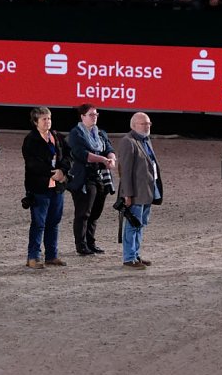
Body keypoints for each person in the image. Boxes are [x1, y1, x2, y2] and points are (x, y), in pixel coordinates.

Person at [116, 113, 163, 270]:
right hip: (136, 192)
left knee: (140, 224)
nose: (147, 126)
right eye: (143, 124)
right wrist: (127, 194)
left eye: (148, 123)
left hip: (147, 191)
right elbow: (125, 171)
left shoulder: (145, 140)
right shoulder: (128, 142)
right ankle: (129, 258)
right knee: (132, 224)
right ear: (134, 125)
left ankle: (135, 255)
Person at [22, 106, 68, 269]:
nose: (47, 122)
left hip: (57, 187)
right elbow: (32, 164)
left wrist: (62, 171)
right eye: (43, 119)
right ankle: (33, 257)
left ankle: (51, 255)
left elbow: (67, 156)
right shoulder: (30, 140)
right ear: (36, 122)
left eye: (49, 118)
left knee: (54, 222)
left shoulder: (57, 137)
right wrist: (52, 173)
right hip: (39, 188)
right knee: (38, 223)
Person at [67, 103, 115, 256]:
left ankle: (91, 242)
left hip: (100, 176)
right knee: (83, 212)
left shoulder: (101, 133)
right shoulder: (76, 134)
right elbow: (81, 154)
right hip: (83, 177)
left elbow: (109, 149)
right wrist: (102, 159)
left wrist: (111, 159)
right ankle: (81, 245)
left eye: (96, 114)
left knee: (95, 212)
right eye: (91, 115)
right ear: (82, 116)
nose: (95, 117)